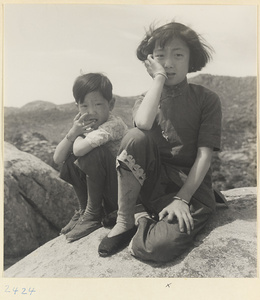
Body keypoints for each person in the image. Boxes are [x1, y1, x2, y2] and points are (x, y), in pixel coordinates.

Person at [98, 21, 226, 262]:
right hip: (152, 184)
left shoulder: (207, 99)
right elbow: (143, 126)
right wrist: (158, 79)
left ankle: (144, 218)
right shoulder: (145, 99)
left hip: (190, 189)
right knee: (135, 136)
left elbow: (204, 156)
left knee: (156, 248)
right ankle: (126, 221)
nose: (168, 63)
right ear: (151, 61)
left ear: (191, 59)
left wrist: (182, 199)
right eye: (160, 56)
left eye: (178, 55)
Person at [53, 73, 128, 242]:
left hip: (123, 192)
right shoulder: (87, 128)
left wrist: (77, 135)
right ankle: (84, 210)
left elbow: (80, 150)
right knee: (69, 156)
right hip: (108, 191)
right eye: (84, 105)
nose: (91, 111)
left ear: (111, 104)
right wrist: (73, 133)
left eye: (98, 104)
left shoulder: (113, 125)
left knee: (91, 152)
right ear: (77, 107)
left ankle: (93, 215)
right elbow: (58, 158)